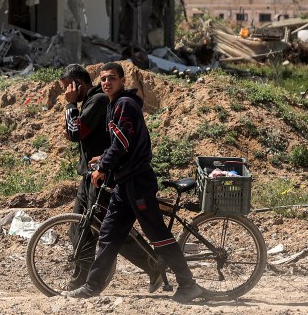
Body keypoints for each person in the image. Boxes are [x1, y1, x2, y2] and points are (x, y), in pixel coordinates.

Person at [62, 62, 204, 304]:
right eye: (104, 79)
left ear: (123, 81)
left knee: (157, 234)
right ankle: (92, 286)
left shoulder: (124, 105)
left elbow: (121, 144)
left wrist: (103, 167)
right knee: (108, 234)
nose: (106, 83)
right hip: (124, 182)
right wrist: (102, 159)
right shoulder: (114, 104)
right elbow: (117, 144)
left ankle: (188, 284)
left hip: (137, 181)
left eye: (112, 79)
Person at [60, 64, 167, 293]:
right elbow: (72, 133)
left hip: (104, 176)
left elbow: (75, 132)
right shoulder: (92, 102)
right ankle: (82, 278)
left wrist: (70, 104)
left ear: (76, 84)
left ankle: (151, 265)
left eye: (67, 87)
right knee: (80, 228)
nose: (65, 92)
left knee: (108, 229)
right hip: (91, 175)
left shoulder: (98, 101)